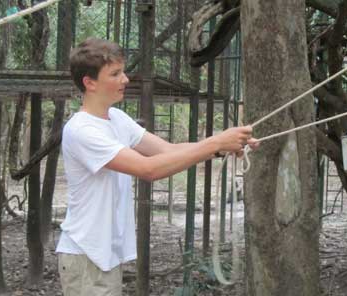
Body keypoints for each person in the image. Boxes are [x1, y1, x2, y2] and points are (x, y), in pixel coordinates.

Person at [55, 37, 258, 296]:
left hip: (103, 256)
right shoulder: (82, 130)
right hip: (86, 256)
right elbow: (148, 169)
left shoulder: (117, 118)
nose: (125, 79)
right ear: (89, 82)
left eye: (123, 71)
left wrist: (222, 146)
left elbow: (167, 150)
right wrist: (217, 142)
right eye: (115, 74)